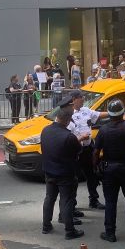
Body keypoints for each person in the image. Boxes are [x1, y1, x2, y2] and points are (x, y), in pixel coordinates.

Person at [93, 99, 125, 242]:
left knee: (110, 202)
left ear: (109, 114)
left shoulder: (103, 130)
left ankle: (110, 233)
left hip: (109, 170)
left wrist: (95, 168)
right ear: (123, 112)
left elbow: (96, 152)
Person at [40, 98, 84, 239]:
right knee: (67, 201)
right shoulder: (69, 137)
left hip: (49, 171)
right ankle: (70, 231)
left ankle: (46, 226)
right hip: (65, 174)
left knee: (49, 198)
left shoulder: (45, 130)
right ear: (67, 120)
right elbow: (78, 151)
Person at [67, 89, 109, 210]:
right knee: (73, 179)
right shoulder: (68, 114)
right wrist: (80, 138)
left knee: (92, 175)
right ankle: (72, 205)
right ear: (74, 100)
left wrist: (113, 113)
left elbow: (98, 115)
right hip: (75, 151)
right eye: (81, 98)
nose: (83, 100)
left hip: (88, 149)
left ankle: (94, 200)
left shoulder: (85, 110)